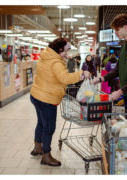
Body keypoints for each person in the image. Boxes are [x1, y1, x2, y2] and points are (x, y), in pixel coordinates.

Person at [30, 38, 91, 167]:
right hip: (47, 98)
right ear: (59, 49)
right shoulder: (56, 62)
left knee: (41, 122)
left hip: (36, 94)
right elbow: (64, 78)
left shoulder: (45, 56)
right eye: (66, 50)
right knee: (49, 127)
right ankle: (46, 155)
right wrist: (82, 73)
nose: (67, 53)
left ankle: (37, 147)